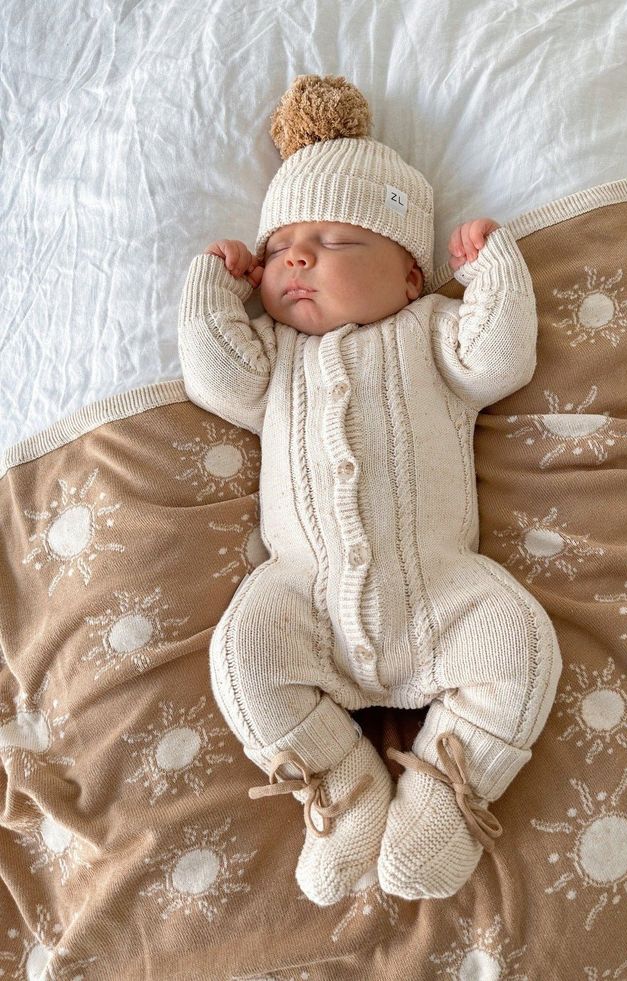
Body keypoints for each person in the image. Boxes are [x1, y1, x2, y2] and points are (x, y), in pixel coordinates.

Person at [178, 74, 562, 907]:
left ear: (409, 272)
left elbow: (500, 358)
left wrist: (494, 270)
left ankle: (447, 787)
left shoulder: (430, 333)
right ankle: (342, 782)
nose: (297, 259)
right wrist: (212, 288)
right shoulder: (274, 358)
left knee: (520, 645)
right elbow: (214, 376)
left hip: (440, 587)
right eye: (280, 249)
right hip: (305, 597)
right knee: (242, 656)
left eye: (334, 242)